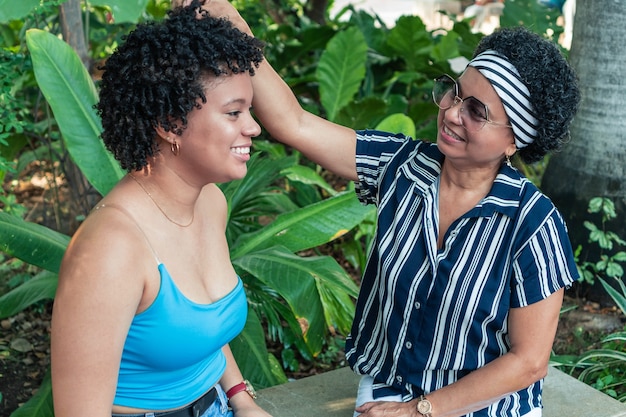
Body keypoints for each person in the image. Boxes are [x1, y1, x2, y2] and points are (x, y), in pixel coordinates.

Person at [201, 2, 581, 416]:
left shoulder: (532, 223)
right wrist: (232, 24)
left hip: (486, 406)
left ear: (513, 141)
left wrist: (423, 411)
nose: (451, 113)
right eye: (456, 92)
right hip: (391, 394)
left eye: (476, 112)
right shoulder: (401, 166)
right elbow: (295, 123)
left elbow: (528, 362)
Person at [50, 2, 273, 417]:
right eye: (233, 113)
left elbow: (199, 327)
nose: (253, 127)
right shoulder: (110, 250)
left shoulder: (210, 202)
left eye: (249, 110)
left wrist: (240, 395)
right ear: (170, 124)